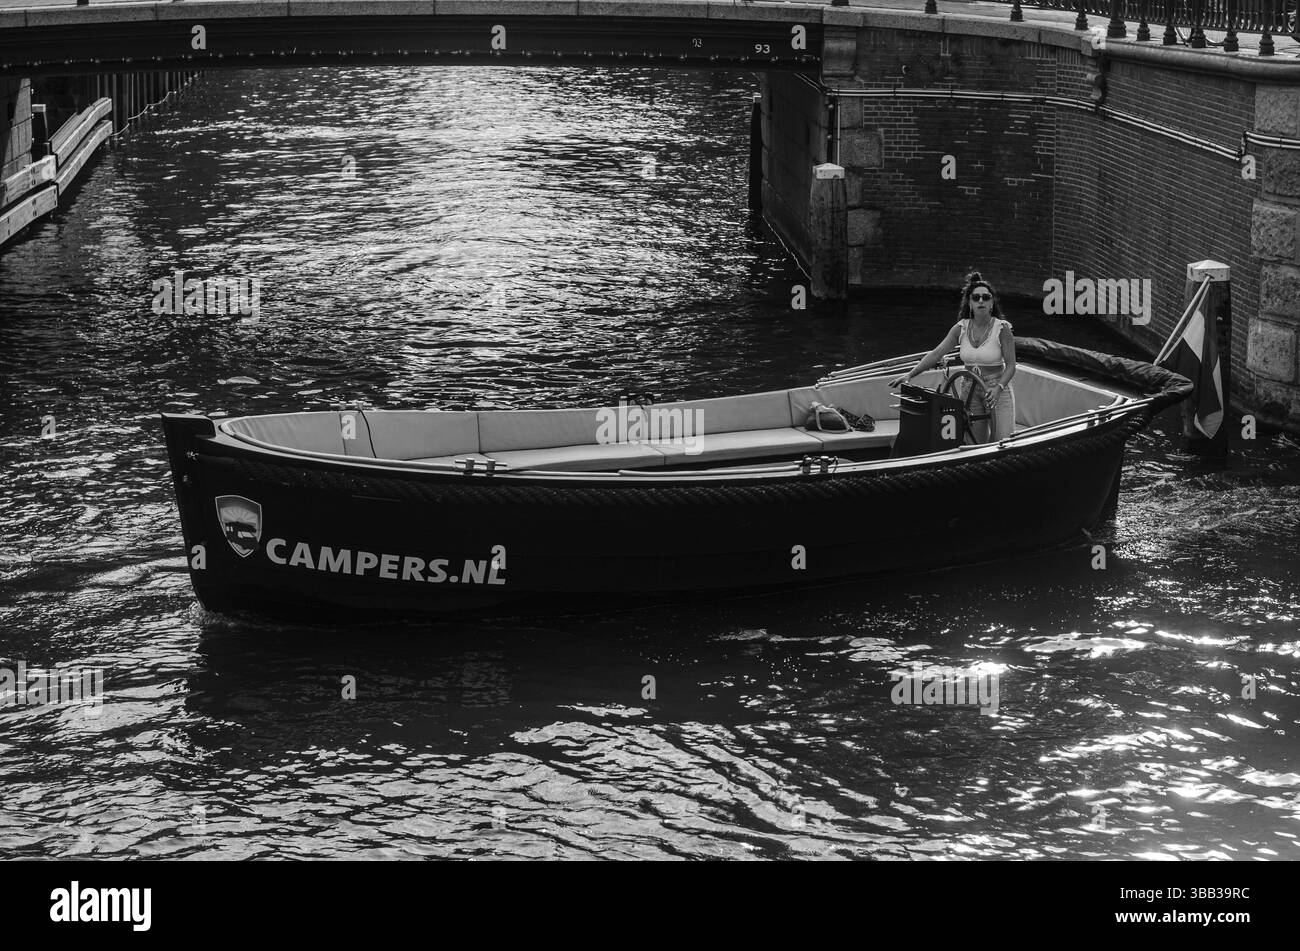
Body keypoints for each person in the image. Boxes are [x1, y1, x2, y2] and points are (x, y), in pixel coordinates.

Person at [888, 271, 1017, 443]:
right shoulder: (960, 328)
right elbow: (936, 353)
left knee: (1003, 442)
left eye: (986, 297)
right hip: (969, 389)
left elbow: (1011, 366)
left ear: (992, 303)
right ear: (969, 303)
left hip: (997, 391)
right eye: (976, 297)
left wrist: (998, 388)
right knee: (973, 444)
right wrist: (911, 374)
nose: (981, 301)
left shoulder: (1002, 329)